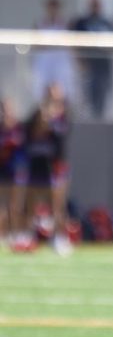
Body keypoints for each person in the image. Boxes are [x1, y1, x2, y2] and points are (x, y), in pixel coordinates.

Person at [10, 90, 72, 254]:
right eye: (43, 116)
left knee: (57, 210)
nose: (46, 119)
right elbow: (22, 153)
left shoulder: (55, 134)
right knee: (30, 209)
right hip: (34, 176)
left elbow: (60, 155)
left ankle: (59, 238)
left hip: (52, 175)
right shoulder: (28, 133)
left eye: (48, 117)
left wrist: (60, 175)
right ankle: (26, 237)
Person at [70, 0, 113, 119]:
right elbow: (75, 43)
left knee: (102, 96)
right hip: (88, 66)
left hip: (103, 66)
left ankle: (99, 119)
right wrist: (79, 61)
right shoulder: (82, 23)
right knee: (87, 97)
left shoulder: (107, 23)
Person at [31, 0, 78, 106]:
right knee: (42, 88)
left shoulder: (66, 25)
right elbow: (34, 44)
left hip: (61, 61)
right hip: (45, 61)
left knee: (64, 88)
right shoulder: (40, 24)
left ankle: (64, 113)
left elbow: (72, 45)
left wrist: (77, 60)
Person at [0, 99, 24, 245]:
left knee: (15, 206)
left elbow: (23, 151)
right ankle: (2, 234)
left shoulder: (19, 128)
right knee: (1, 206)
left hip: (15, 171)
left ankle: (15, 234)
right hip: (2, 170)